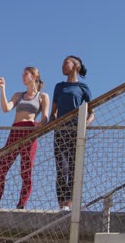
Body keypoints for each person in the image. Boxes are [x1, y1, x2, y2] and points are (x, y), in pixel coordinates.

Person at [0, 67, 49, 209]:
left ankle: (21, 204)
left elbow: (45, 118)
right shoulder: (18, 95)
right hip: (15, 131)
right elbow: (6, 108)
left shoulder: (43, 96)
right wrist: (2, 88)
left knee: (26, 170)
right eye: (22, 73)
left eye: (26, 74)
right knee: (2, 167)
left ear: (35, 76)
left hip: (30, 131)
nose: (23, 76)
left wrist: (37, 125)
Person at [50, 55, 95, 211]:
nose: (63, 65)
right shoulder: (59, 87)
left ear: (76, 66)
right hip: (60, 132)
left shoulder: (83, 88)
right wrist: (51, 123)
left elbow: (92, 113)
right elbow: (53, 113)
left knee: (73, 169)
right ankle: (62, 204)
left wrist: (85, 124)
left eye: (66, 63)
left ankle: (70, 204)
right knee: (62, 168)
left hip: (76, 132)